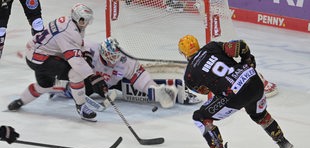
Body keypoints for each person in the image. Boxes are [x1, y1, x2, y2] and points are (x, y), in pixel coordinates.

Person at [178, 35, 298, 148]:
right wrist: (248, 62)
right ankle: (283, 142)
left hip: (234, 95)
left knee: (200, 117)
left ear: (183, 53)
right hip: (254, 81)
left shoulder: (189, 75)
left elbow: (204, 91)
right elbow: (241, 45)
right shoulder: (212, 46)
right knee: (260, 115)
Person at [7, 3, 107, 122]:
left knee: (44, 86)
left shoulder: (67, 22)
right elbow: (76, 61)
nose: (85, 23)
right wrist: (92, 78)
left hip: (35, 55)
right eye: (83, 20)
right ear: (77, 18)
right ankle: (81, 107)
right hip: (41, 58)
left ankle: (21, 101)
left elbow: (75, 47)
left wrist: (86, 56)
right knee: (75, 74)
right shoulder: (70, 32)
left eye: (87, 20)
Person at [52, 37, 201, 109]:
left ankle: (162, 92)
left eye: (115, 56)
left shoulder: (124, 61)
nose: (113, 60)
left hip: (114, 82)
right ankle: (60, 88)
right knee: (77, 88)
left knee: (136, 86)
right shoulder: (91, 49)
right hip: (90, 81)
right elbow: (68, 48)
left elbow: (140, 76)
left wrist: (152, 87)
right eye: (110, 57)